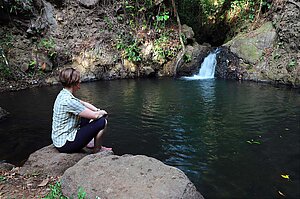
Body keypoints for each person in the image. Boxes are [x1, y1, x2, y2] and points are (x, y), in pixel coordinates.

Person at [51, 67, 112, 153]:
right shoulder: (69, 101)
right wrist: (102, 112)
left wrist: (97, 109)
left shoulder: (63, 94)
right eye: (78, 80)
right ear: (74, 83)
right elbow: (96, 116)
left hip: (59, 139)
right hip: (65, 144)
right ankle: (97, 149)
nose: (80, 81)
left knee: (85, 114)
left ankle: (90, 143)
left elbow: (83, 103)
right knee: (102, 121)